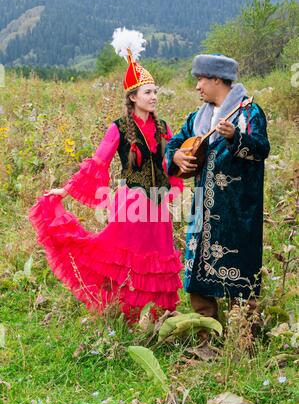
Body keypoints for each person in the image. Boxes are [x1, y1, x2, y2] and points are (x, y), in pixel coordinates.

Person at [29, 29, 183, 322]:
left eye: (155, 92)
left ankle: (157, 317)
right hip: (131, 202)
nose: (153, 97)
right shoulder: (119, 128)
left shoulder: (163, 127)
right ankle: (126, 314)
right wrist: (66, 191)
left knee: (157, 258)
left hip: (158, 206)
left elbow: (170, 161)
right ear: (133, 96)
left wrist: (176, 183)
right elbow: (99, 161)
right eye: (148, 92)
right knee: (126, 257)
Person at [164, 54, 270, 320]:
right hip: (203, 211)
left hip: (239, 212)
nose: (198, 86)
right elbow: (173, 145)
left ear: (217, 80)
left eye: (201, 79)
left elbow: (261, 149)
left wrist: (236, 137)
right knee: (198, 272)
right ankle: (205, 335)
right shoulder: (196, 119)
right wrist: (176, 157)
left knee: (241, 272)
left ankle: (244, 335)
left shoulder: (248, 113)